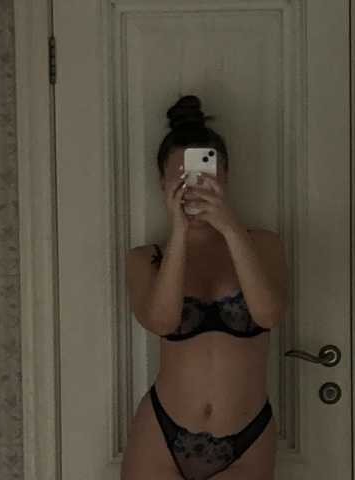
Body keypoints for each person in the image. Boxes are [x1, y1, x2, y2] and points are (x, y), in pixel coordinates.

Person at [120, 95, 288, 480]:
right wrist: (179, 232)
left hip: (247, 437)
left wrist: (229, 228)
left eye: (201, 176)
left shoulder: (263, 244)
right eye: (179, 179)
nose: (191, 187)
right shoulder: (145, 258)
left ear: (224, 176)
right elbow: (161, 322)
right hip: (161, 435)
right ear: (161, 183)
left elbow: (269, 314)